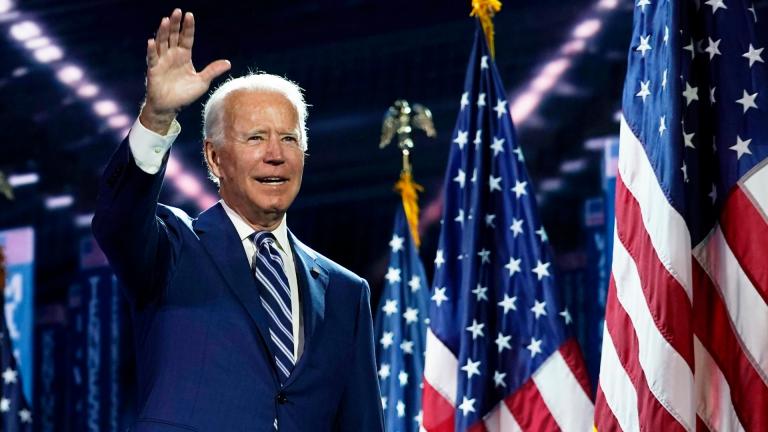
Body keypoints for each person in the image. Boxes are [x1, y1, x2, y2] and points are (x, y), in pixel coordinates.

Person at [92, 8, 384, 431]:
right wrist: (156, 117)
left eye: (289, 138)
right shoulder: (172, 248)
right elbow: (116, 222)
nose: (275, 154)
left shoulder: (345, 292)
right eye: (255, 138)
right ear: (214, 157)